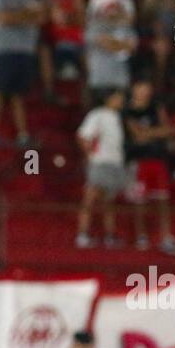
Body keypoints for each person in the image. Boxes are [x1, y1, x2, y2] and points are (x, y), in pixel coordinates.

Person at [123, 80, 175, 254]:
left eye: (147, 87)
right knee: (139, 200)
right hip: (138, 160)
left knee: (162, 199)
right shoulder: (127, 110)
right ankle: (141, 235)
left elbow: (168, 129)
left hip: (157, 159)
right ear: (134, 89)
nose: (144, 91)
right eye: (141, 87)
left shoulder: (156, 107)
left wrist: (149, 133)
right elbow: (137, 135)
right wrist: (155, 132)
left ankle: (166, 236)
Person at [0, 0, 43, 148]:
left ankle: (22, 135)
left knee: (18, 95)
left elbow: (40, 17)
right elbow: (2, 18)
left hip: (26, 50)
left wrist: (17, 17)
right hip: (5, 50)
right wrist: (26, 15)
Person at [75, 88, 125, 249]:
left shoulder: (119, 117)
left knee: (109, 201)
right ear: (109, 99)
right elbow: (83, 136)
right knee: (90, 198)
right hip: (100, 162)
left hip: (115, 163)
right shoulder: (98, 114)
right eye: (118, 97)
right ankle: (82, 235)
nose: (121, 100)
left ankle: (110, 236)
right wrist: (91, 156)